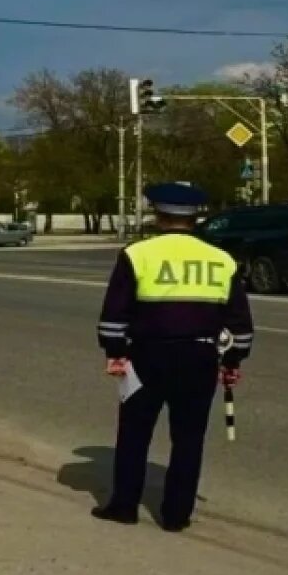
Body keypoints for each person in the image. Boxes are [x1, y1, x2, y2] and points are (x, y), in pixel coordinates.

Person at [92, 183, 254, 532]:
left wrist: (115, 353)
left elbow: (115, 314)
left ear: (158, 215)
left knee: (134, 432)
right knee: (189, 438)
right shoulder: (221, 258)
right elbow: (240, 321)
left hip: (147, 355)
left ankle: (124, 506)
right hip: (200, 356)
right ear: (195, 218)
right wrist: (232, 361)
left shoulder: (137, 254)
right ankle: (177, 515)